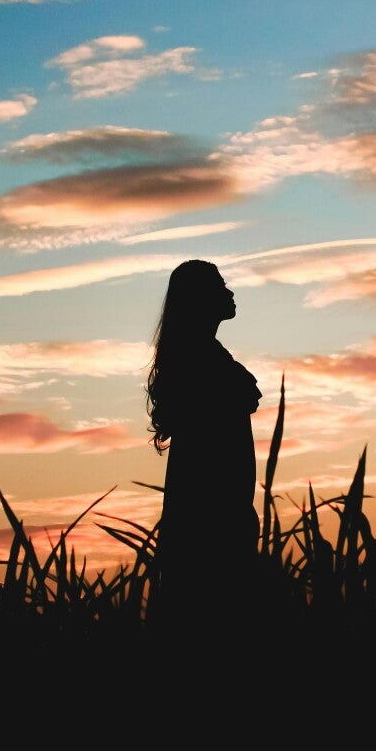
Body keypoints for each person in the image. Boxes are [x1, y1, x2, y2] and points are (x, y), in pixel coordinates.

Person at [146, 259, 261, 635]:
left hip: (217, 514)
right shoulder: (198, 360)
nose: (229, 292)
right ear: (199, 300)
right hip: (212, 520)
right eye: (220, 286)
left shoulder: (202, 355)